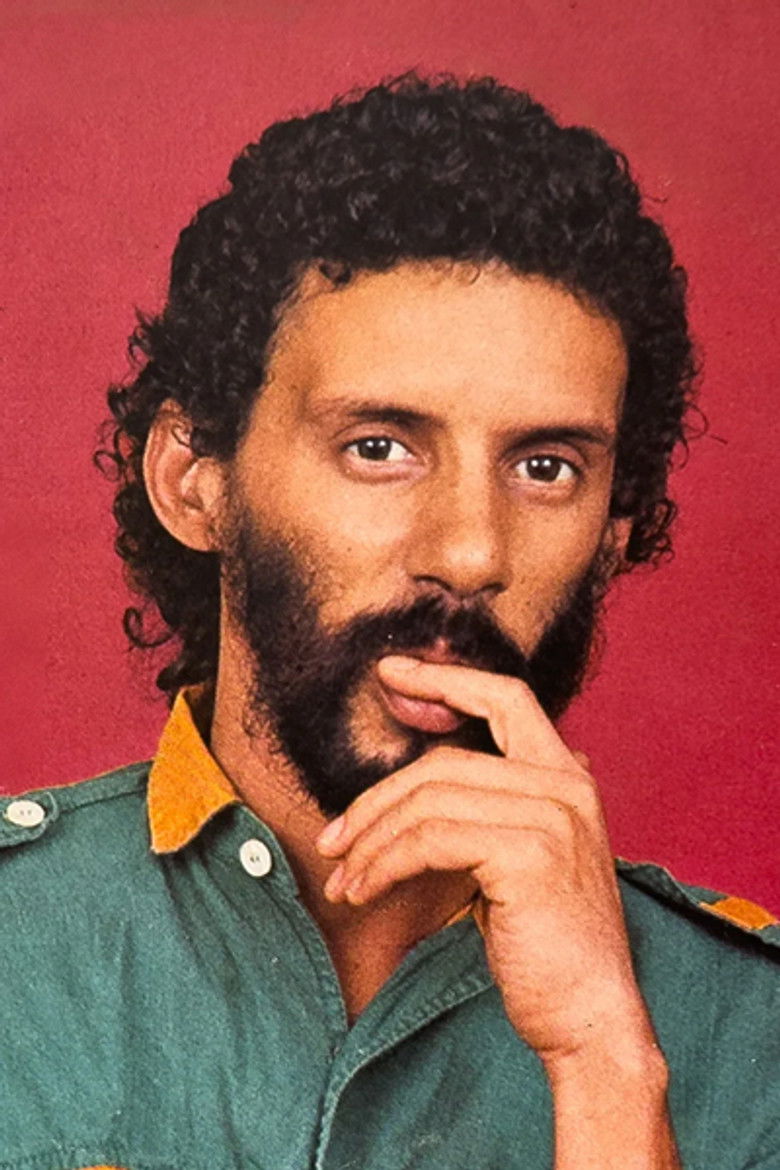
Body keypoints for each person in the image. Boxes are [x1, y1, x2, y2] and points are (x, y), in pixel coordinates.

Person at [1, 73, 777, 1170]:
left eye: (546, 467)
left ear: (612, 536)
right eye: (379, 448)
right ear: (193, 479)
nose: (469, 553)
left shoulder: (754, 1039)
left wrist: (607, 1069)